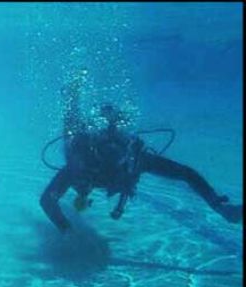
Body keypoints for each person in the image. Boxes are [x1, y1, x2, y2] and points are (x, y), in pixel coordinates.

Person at [40, 73, 242, 233]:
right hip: (83, 157)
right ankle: (71, 95)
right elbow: (47, 201)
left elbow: (186, 174)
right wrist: (67, 231)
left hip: (95, 161)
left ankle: (72, 96)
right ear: (96, 150)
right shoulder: (81, 160)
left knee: (74, 126)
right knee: (72, 127)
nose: (111, 156)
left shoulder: (135, 158)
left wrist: (220, 207)